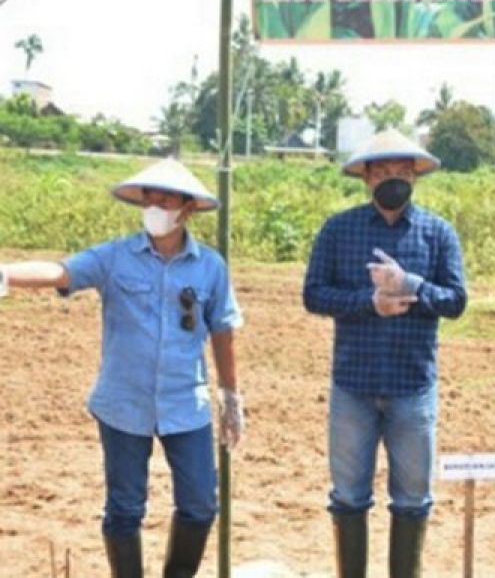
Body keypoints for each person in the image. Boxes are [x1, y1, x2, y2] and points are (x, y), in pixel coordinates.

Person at [0, 158, 244, 578]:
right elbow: (62, 271)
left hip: (186, 403)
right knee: (125, 508)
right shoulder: (115, 257)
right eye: (149, 198)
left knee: (201, 505)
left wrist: (230, 394)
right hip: (123, 403)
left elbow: (222, 331)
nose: (155, 206)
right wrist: (5, 273)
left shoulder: (210, 267)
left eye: (165, 199)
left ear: (187, 207)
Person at [303, 130, 468, 578]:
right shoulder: (339, 230)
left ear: (415, 175)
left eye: (401, 170)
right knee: (348, 496)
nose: (392, 177)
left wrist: (410, 285)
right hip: (352, 385)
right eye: (382, 170)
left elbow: (456, 301)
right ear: (366, 177)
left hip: (412, 387)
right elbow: (314, 295)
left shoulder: (438, 234)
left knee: (413, 498)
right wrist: (368, 302)